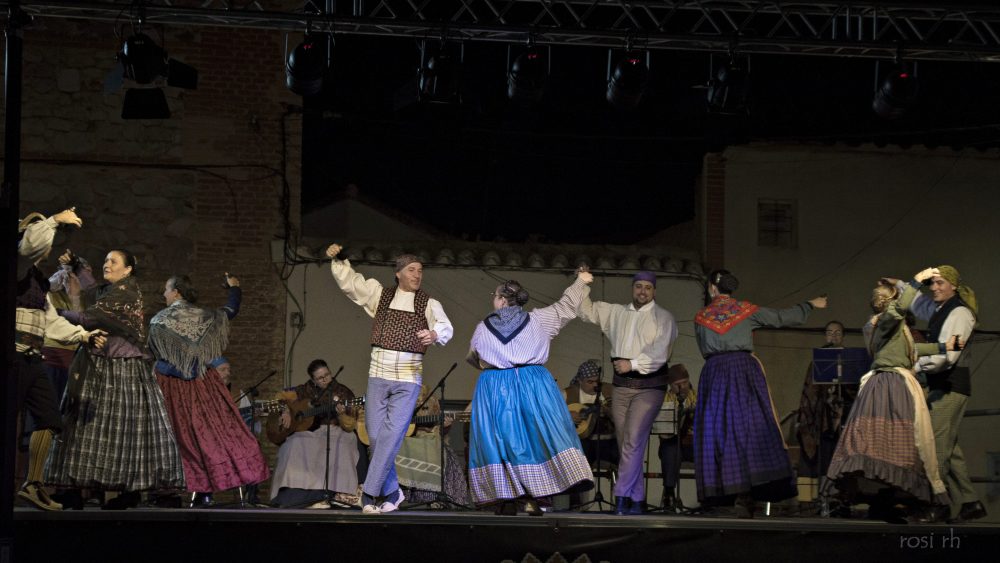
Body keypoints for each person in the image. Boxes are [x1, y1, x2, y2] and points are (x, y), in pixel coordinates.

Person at [45, 249, 185, 509]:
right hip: (98, 361)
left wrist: (53, 314)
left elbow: (88, 318)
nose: (106, 264)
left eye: (113, 261)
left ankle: (128, 490)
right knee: (84, 426)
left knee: (124, 429)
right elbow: (92, 289)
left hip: (122, 366)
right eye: (106, 260)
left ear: (128, 269)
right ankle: (74, 488)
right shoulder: (111, 292)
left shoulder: (126, 293)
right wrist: (76, 264)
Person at [325, 243, 453, 514]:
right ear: (398, 273)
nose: (417, 275)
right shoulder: (380, 295)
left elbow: (444, 325)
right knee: (376, 437)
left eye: (420, 271)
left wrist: (434, 334)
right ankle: (394, 492)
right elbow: (352, 284)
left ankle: (368, 494)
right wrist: (340, 260)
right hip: (378, 376)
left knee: (391, 437)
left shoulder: (428, 303)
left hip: (408, 379)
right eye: (411, 270)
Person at [693, 269, 827, 518]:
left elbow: (702, 347)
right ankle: (748, 495)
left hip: (715, 374)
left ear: (712, 288)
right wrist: (809, 304)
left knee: (719, 432)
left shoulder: (701, 316)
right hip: (743, 372)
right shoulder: (745, 310)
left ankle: (726, 493)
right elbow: (782, 317)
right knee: (750, 430)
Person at [823, 271, 954, 523]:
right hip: (891, 384)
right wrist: (916, 281)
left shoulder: (887, 328)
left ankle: (886, 498)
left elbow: (909, 348)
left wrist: (943, 346)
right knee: (895, 443)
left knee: (885, 445)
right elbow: (898, 311)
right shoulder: (883, 322)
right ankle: (889, 497)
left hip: (884, 384)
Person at [467, 272, 595, 515]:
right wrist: (581, 281)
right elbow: (566, 305)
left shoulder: (483, 327)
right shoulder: (539, 319)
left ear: (502, 300)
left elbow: (474, 356)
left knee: (502, 440)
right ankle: (536, 496)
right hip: (532, 383)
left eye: (495, 296)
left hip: (495, 386)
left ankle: (508, 497)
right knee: (537, 436)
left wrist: (497, 365)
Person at [148, 273, 269, 504]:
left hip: (170, 385)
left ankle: (166, 491)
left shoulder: (159, 320)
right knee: (210, 436)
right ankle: (204, 491)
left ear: (176, 292)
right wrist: (234, 288)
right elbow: (230, 310)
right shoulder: (206, 316)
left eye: (166, 289)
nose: (164, 294)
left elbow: (155, 352)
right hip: (202, 384)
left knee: (170, 437)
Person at [14, 209, 106, 511]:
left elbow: (51, 321)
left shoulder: (37, 281)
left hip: (32, 358)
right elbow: (29, 247)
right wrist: (53, 220)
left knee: (49, 419)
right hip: (12, 356)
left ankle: (33, 484)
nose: (48, 246)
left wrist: (84, 336)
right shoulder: (16, 266)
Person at [578, 271, 678, 515]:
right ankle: (638, 499)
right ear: (633, 288)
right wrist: (581, 283)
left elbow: (660, 354)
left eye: (647, 287)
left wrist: (632, 364)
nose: (642, 291)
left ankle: (621, 496)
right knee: (626, 443)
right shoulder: (616, 312)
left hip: (649, 387)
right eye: (638, 286)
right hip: (622, 386)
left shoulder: (663, 317)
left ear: (654, 291)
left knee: (632, 439)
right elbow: (585, 310)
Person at [904, 265, 986, 523]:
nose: (934, 287)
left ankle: (937, 503)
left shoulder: (959, 312)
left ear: (953, 285)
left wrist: (916, 367)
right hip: (941, 386)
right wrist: (900, 285)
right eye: (932, 283)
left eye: (940, 283)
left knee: (936, 446)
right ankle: (970, 502)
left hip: (951, 386)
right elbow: (919, 305)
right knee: (950, 448)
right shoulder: (942, 310)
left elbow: (947, 355)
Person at [269, 359, 361, 509]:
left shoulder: (343, 392)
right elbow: (280, 396)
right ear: (313, 380)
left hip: (336, 430)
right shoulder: (305, 389)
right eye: (320, 378)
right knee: (292, 443)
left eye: (327, 375)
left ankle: (337, 494)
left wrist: (341, 414)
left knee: (344, 443)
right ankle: (294, 495)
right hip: (312, 432)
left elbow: (350, 425)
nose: (325, 380)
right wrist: (285, 411)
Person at [795, 321, 858, 486]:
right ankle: (824, 490)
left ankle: (844, 490)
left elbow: (856, 387)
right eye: (830, 333)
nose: (833, 336)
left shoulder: (850, 359)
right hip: (823, 414)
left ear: (843, 336)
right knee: (825, 451)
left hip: (845, 413)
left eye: (838, 333)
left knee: (844, 450)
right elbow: (811, 389)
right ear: (825, 336)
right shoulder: (819, 359)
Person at [395, 385, 470, 507]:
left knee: (434, 448)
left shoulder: (431, 400)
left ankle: (434, 498)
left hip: (429, 436)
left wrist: (445, 426)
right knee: (398, 446)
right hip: (405, 438)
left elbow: (439, 430)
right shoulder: (401, 398)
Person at [657, 364, 696, 512]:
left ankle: (708, 497)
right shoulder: (664, 400)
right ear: (670, 385)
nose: (682, 387)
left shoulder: (698, 396)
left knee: (708, 451)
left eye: (685, 382)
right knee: (671, 450)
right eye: (677, 385)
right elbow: (662, 430)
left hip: (693, 444)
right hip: (672, 443)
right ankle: (669, 493)